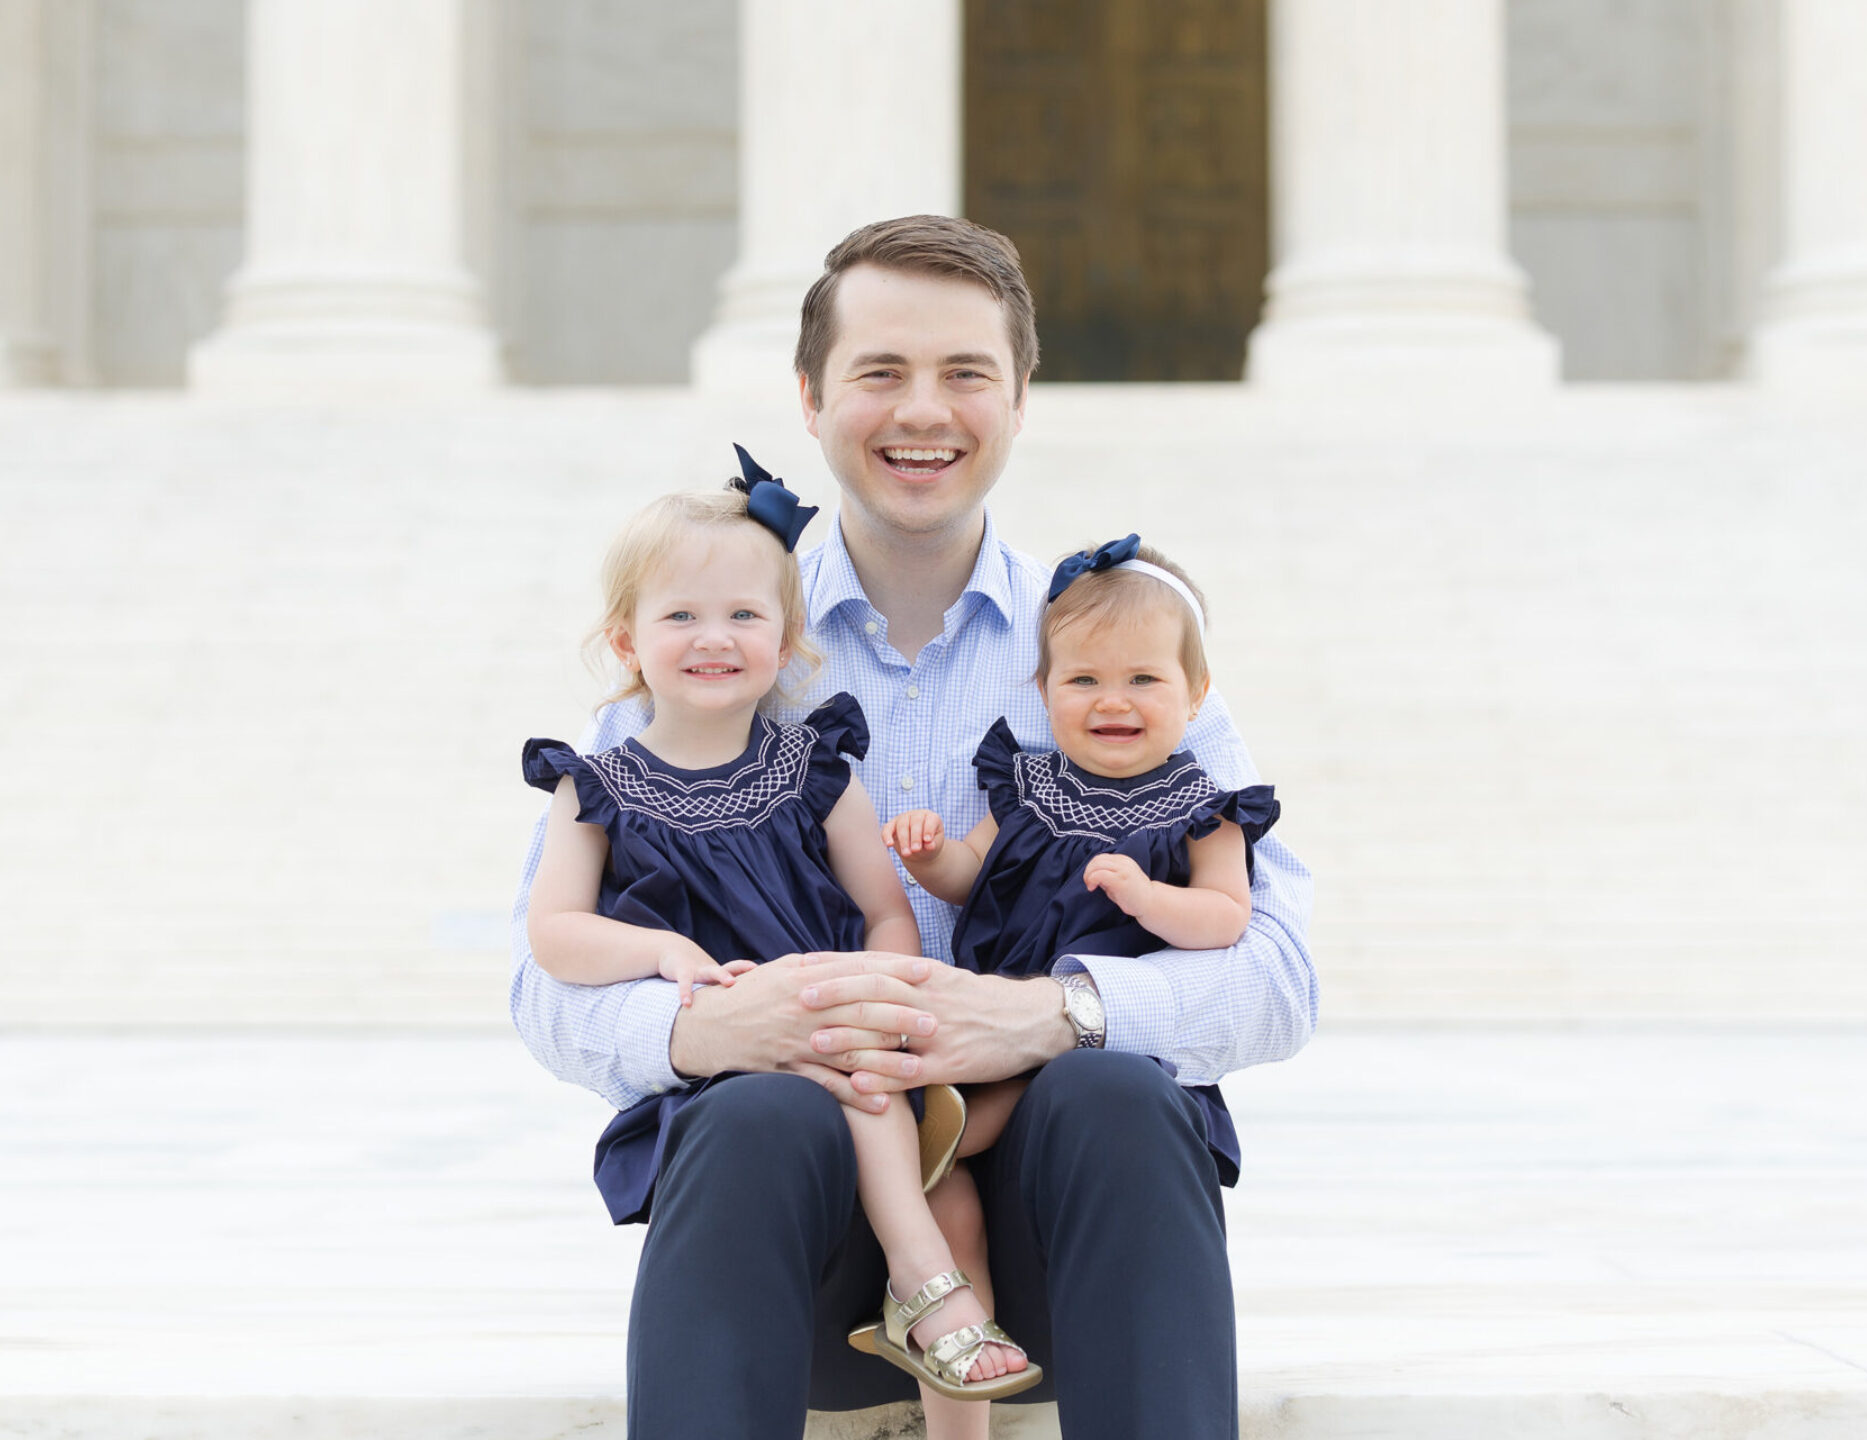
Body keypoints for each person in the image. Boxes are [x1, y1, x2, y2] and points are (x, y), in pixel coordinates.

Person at [509, 214, 1317, 1440]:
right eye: (881, 373)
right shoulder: (708, 647)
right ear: (811, 395)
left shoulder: (1122, 660)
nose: (922, 412)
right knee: (750, 1105)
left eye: (965, 374)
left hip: (1061, 1250)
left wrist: (1057, 1010)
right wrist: (707, 1020)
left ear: (1021, 395)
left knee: (1117, 1094)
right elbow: (544, 985)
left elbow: (1282, 975)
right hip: (803, 1234)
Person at [519, 466, 1040, 1437]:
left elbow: (886, 912)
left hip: (848, 1027)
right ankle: (921, 1280)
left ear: (789, 642)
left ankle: (948, 1374)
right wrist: (667, 956)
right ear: (626, 640)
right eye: (681, 616)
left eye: (744, 615)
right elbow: (555, 934)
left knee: (935, 1164)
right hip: (740, 1077)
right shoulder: (595, 786)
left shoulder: (815, 770)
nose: (715, 638)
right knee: (848, 1100)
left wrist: (872, 986)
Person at [882, 536, 1282, 1181]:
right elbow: (971, 876)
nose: (1113, 700)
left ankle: (921, 1157)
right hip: (994, 1005)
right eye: (1084, 679)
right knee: (951, 1074)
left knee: (1025, 1093)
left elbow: (1227, 915)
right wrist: (931, 857)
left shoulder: (1201, 809)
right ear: (1045, 690)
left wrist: (1149, 898)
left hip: (1111, 1036)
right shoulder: (1033, 785)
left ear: (1196, 693)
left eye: (1144, 679)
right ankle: (921, 1176)